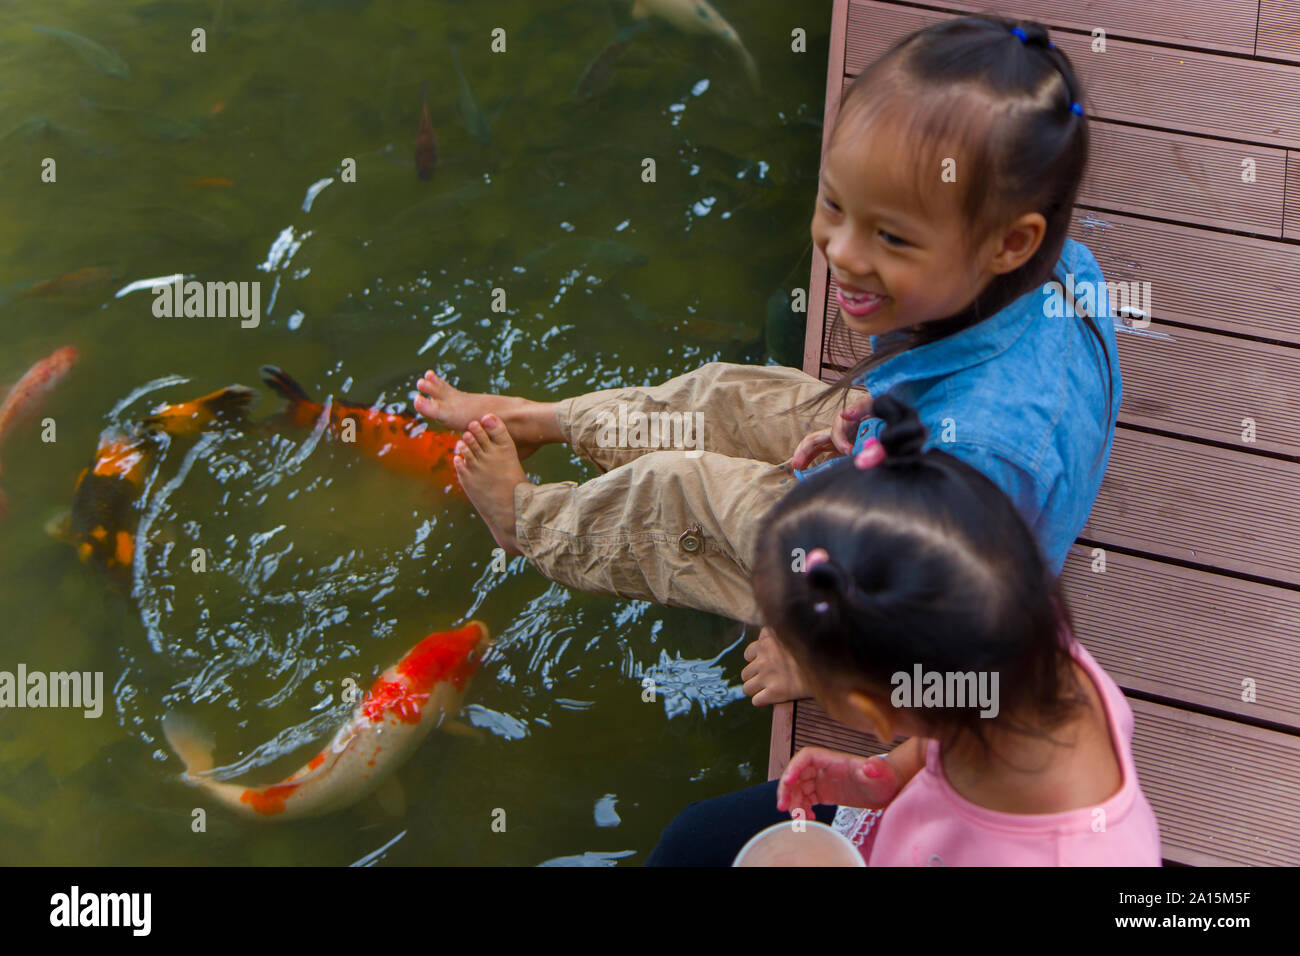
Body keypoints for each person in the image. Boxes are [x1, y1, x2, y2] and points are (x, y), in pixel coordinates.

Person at [415, 16, 1120, 704]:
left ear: (1010, 244)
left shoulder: (986, 455)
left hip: (895, 576)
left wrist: (823, 657)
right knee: (727, 396)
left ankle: (524, 523)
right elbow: (981, 387)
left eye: (892, 238)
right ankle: (551, 421)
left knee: (675, 489)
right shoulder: (1055, 275)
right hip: (912, 465)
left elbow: (941, 626)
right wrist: (882, 425)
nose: (841, 252)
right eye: (835, 205)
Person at [646, 394, 1161, 866]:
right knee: (686, 842)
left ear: (879, 713)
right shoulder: (1020, 653)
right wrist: (883, 779)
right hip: (905, 819)